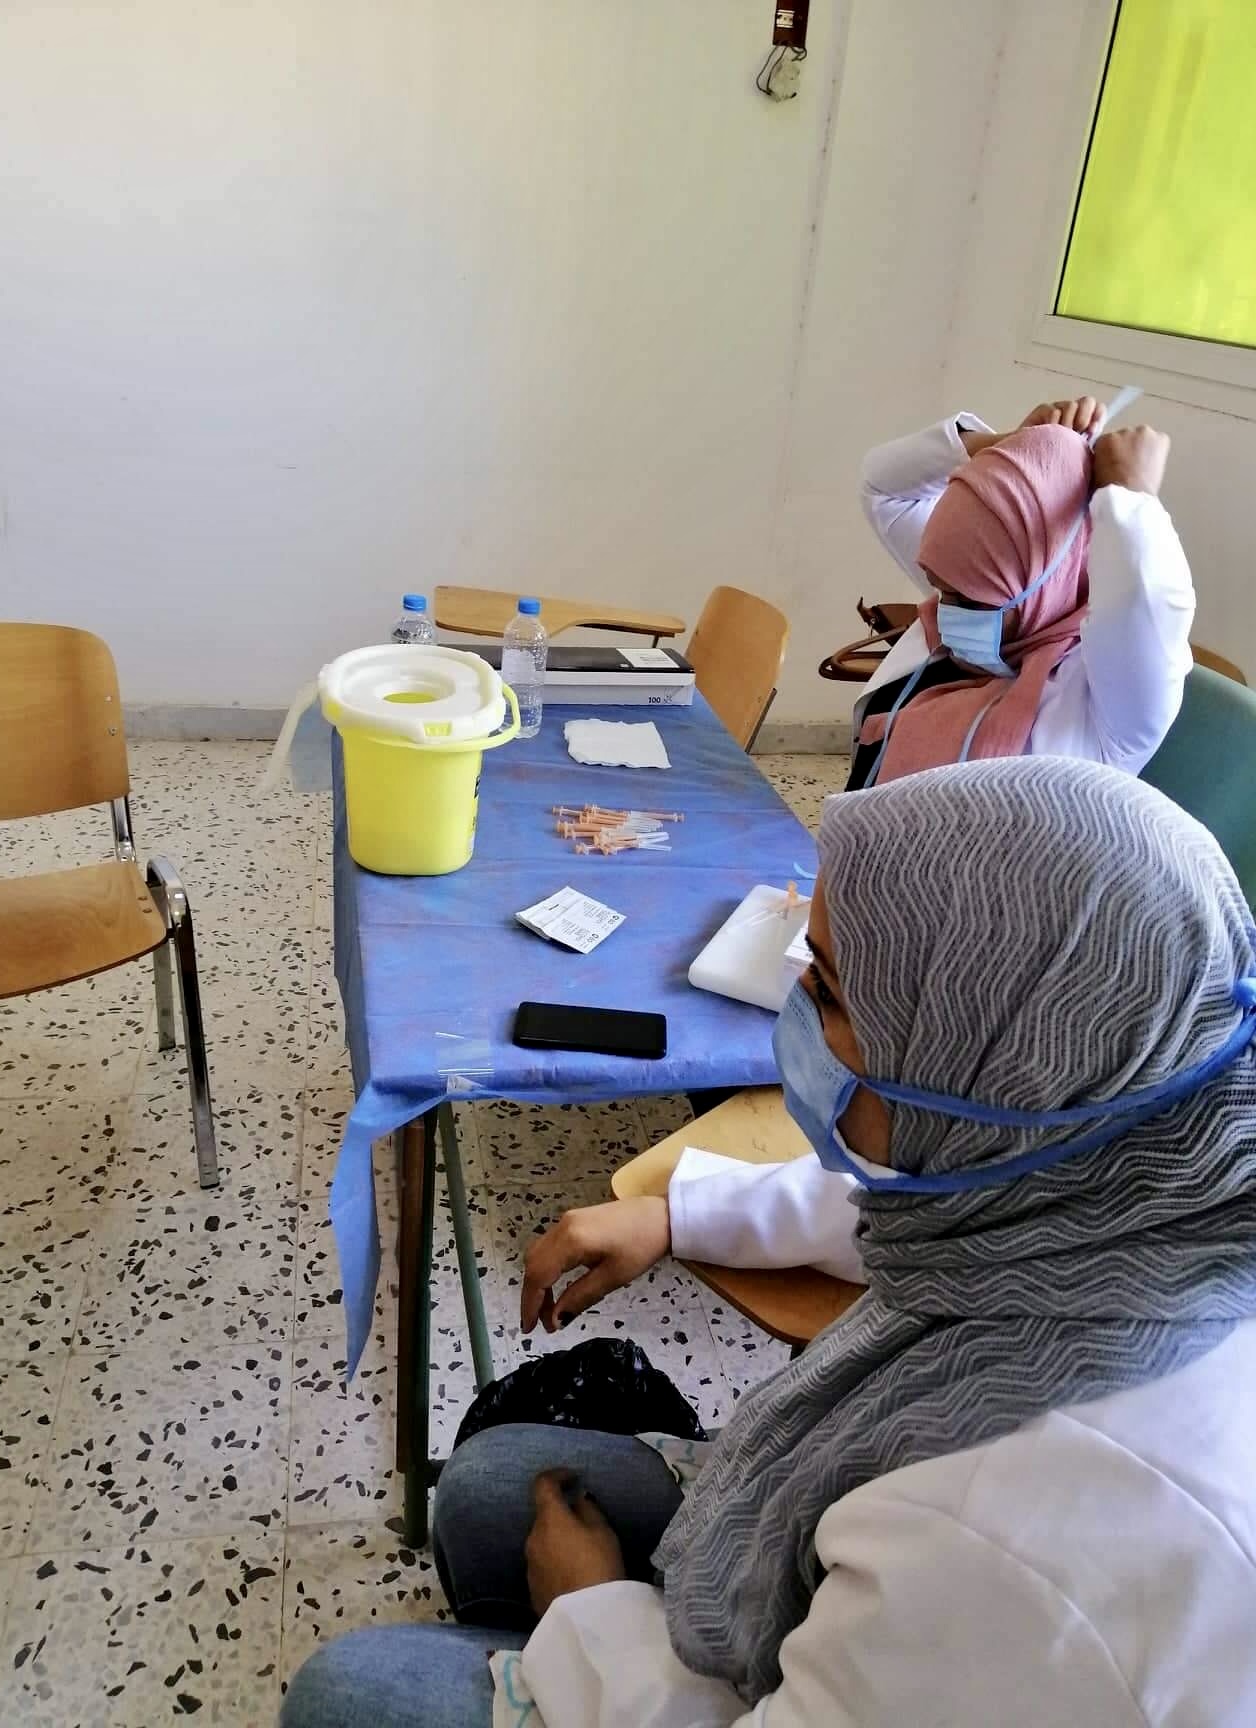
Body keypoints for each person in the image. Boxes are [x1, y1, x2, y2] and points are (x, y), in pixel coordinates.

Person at [282, 757, 1256, 1728]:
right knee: (485, 1491)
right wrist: (678, 1215)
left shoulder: (1013, 1531)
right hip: (894, 1612)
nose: (797, 1015)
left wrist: (586, 1611)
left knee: (346, 1699)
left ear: (1005, 1070)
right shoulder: (1132, 1171)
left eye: (825, 990)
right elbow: (896, 1201)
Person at [847, 394, 1195, 789]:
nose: (946, 615)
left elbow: (1147, 604)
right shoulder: (974, 591)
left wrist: (1131, 496)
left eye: (968, 601)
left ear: (1043, 583)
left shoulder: (1109, 712)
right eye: (941, 589)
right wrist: (999, 445)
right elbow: (882, 488)